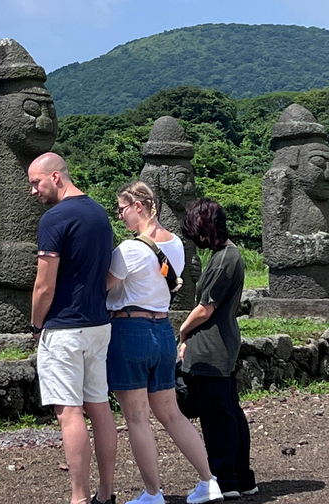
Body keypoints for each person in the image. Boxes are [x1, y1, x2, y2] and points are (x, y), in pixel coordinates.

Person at [106, 181, 222, 504]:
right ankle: (208, 481)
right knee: (171, 414)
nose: (120, 217)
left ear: (139, 207)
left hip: (130, 332)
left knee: (137, 417)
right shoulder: (177, 246)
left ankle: (153, 493)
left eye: (122, 209)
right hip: (162, 332)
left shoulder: (128, 250)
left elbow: (104, 286)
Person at [28, 152, 118, 504]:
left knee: (68, 411)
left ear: (55, 177)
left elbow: (44, 285)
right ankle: (106, 493)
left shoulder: (55, 219)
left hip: (64, 327)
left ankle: (78, 497)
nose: (34, 191)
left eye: (36, 183)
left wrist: (36, 324)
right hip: (98, 323)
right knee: (99, 406)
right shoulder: (99, 213)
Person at [179, 198, 258, 500]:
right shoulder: (228, 254)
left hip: (211, 347)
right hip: (221, 344)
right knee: (229, 412)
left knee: (217, 417)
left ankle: (225, 479)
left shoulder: (225, 258)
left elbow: (205, 308)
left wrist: (183, 331)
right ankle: (241, 477)